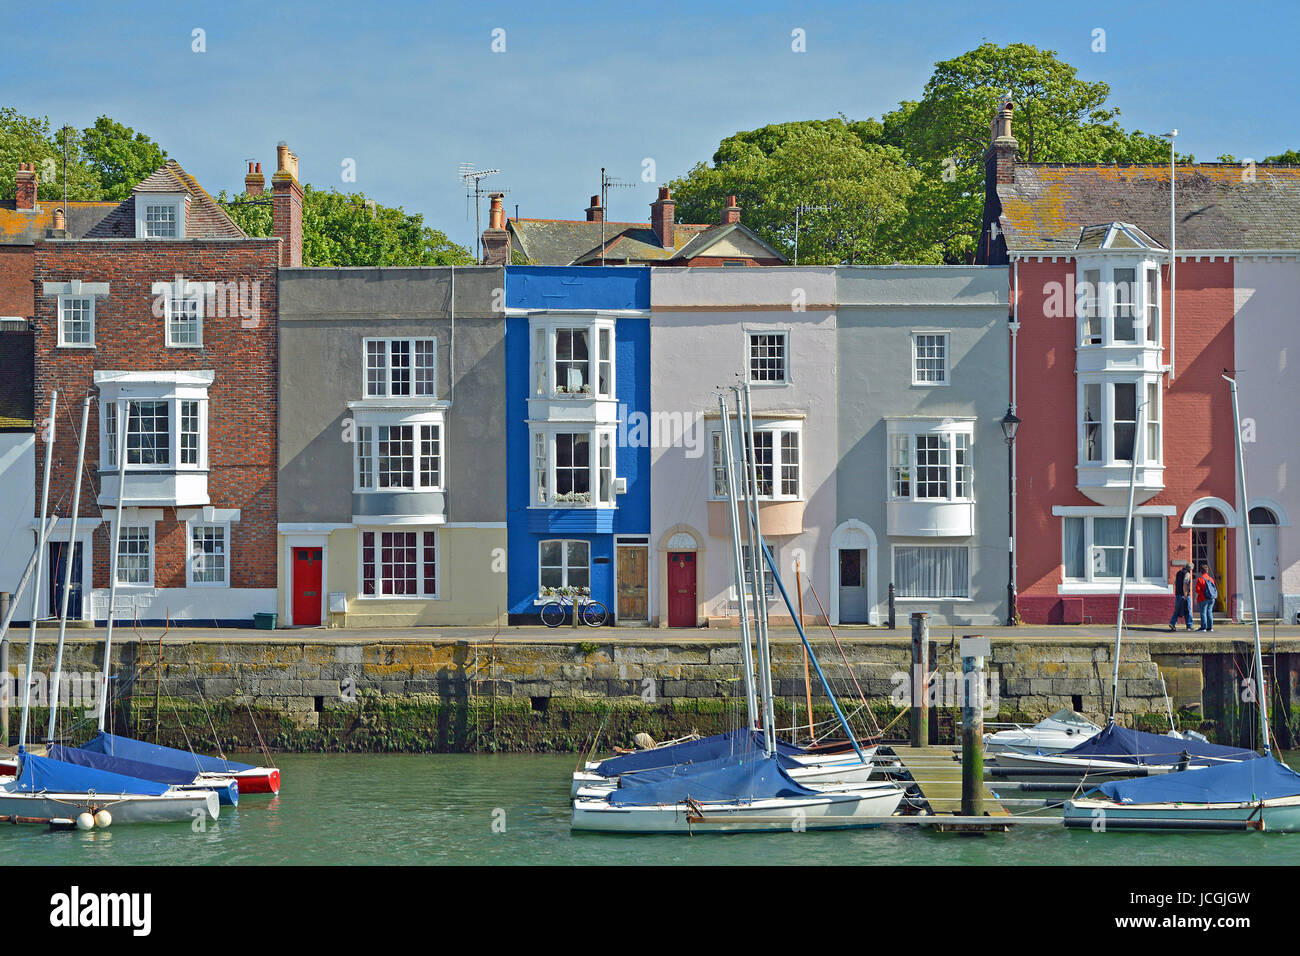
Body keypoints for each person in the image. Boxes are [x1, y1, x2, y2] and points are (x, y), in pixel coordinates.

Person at [1169, 564, 1194, 631]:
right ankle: (1189, 625)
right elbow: (1185, 583)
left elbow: (1175, 582)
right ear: (1190, 568)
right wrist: (1185, 594)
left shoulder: (1178, 573)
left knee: (1177, 609)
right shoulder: (1187, 574)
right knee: (1188, 610)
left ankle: (1172, 623)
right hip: (1184, 594)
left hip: (1178, 594)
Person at [1195, 563, 1218, 633]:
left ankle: (1203, 628)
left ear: (1201, 571)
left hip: (1203, 598)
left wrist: (1195, 599)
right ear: (1207, 571)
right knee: (1209, 612)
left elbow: (1197, 591)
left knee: (1203, 613)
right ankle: (1210, 628)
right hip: (1211, 598)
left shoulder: (1200, 579)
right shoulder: (1211, 579)